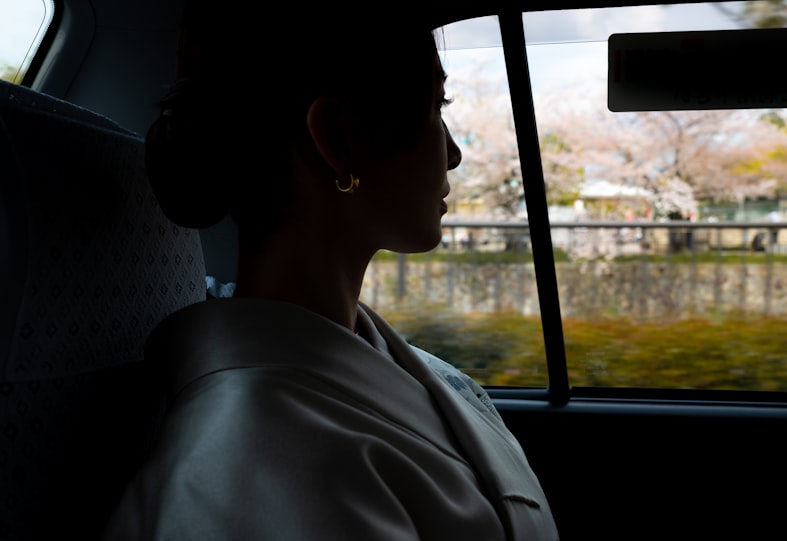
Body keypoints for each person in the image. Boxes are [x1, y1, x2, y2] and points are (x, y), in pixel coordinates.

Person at [102, 3, 558, 540]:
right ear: (338, 140)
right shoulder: (249, 475)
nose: (454, 154)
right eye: (437, 105)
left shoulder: (363, 362)